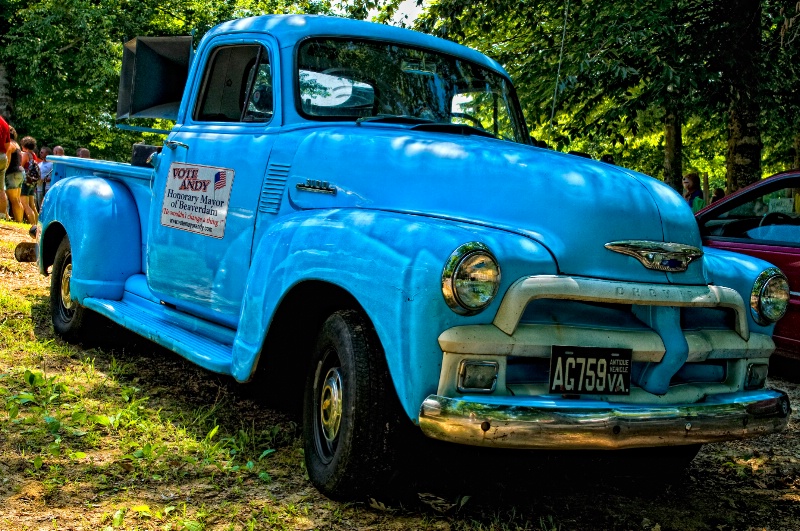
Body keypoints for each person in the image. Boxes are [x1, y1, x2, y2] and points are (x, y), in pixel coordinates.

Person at [5, 130, 25, 222]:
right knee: (17, 200)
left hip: (12, 173)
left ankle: (18, 221)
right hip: (19, 173)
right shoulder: (16, 144)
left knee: (14, 200)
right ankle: (19, 221)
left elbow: (7, 160)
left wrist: (3, 171)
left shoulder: (10, 144)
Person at [19, 136, 39, 225]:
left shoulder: (25, 154)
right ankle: (38, 226)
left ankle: (33, 226)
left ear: (24, 146)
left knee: (25, 205)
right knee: (32, 205)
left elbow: (21, 166)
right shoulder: (33, 155)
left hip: (25, 181)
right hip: (32, 182)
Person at [0, 115, 9, 220]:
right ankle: (2, 216)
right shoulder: (4, 122)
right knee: (1, 189)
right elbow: (7, 145)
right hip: (3, 156)